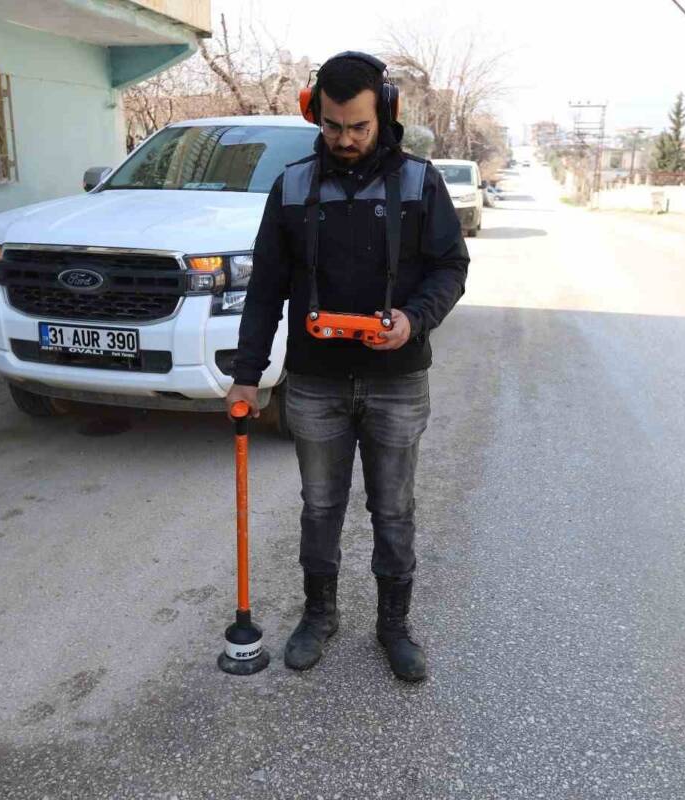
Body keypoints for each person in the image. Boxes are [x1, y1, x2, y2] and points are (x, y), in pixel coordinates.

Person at [226, 51, 469, 682]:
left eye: (359, 127)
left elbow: (451, 267)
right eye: (333, 126)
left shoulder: (421, 183)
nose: (346, 140)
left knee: (392, 508)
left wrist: (414, 319)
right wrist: (248, 375)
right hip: (314, 381)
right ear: (317, 114)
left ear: (383, 114)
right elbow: (265, 289)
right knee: (320, 505)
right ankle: (319, 615)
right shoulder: (295, 186)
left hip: (398, 381)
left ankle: (394, 625)